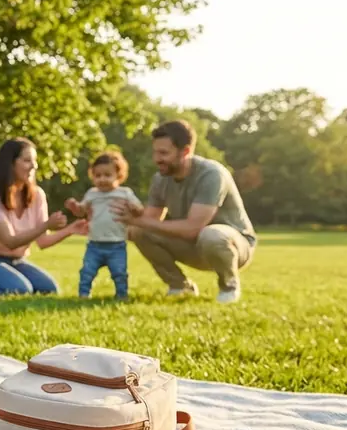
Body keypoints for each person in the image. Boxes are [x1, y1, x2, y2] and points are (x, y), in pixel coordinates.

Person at [111, 120, 258, 304]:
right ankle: (180, 286)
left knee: (211, 235)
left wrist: (140, 221)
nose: (156, 159)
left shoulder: (211, 174)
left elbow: (193, 228)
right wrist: (135, 215)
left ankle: (229, 286)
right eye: (155, 152)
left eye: (164, 153)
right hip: (195, 244)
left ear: (186, 151)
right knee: (139, 232)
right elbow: (149, 222)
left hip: (233, 246)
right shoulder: (161, 178)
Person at [0, 138, 81, 295]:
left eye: (34, 161)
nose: (34, 166)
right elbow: (10, 242)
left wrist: (71, 229)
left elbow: (43, 241)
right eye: (27, 160)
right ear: (10, 164)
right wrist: (46, 225)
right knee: (22, 290)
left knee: (50, 290)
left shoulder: (37, 195)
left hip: (16, 261)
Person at [63, 150, 142, 300]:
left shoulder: (125, 193)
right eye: (97, 176)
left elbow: (139, 210)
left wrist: (134, 209)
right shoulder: (92, 194)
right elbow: (82, 211)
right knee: (87, 271)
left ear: (119, 175)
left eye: (107, 175)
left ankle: (121, 295)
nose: (102, 179)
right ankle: (84, 295)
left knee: (119, 272)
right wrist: (75, 207)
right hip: (94, 244)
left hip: (117, 244)